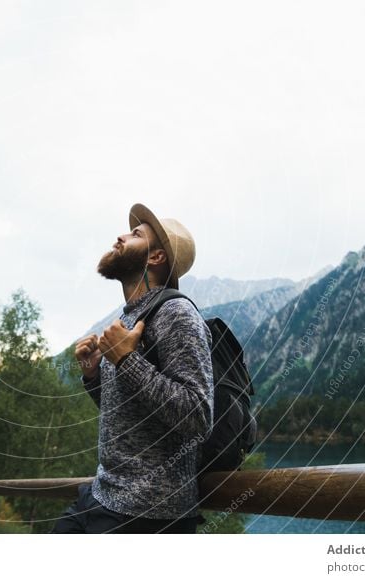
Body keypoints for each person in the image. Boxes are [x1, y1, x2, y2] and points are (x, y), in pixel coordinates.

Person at [49, 203, 214, 534]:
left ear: (155, 258)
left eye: (136, 234)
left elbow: (199, 417)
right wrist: (94, 375)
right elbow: (128, 416)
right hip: (101, 497)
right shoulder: (128, 319)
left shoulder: (176, 313)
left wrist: (126, 360)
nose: (120, 236)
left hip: (147, 515)